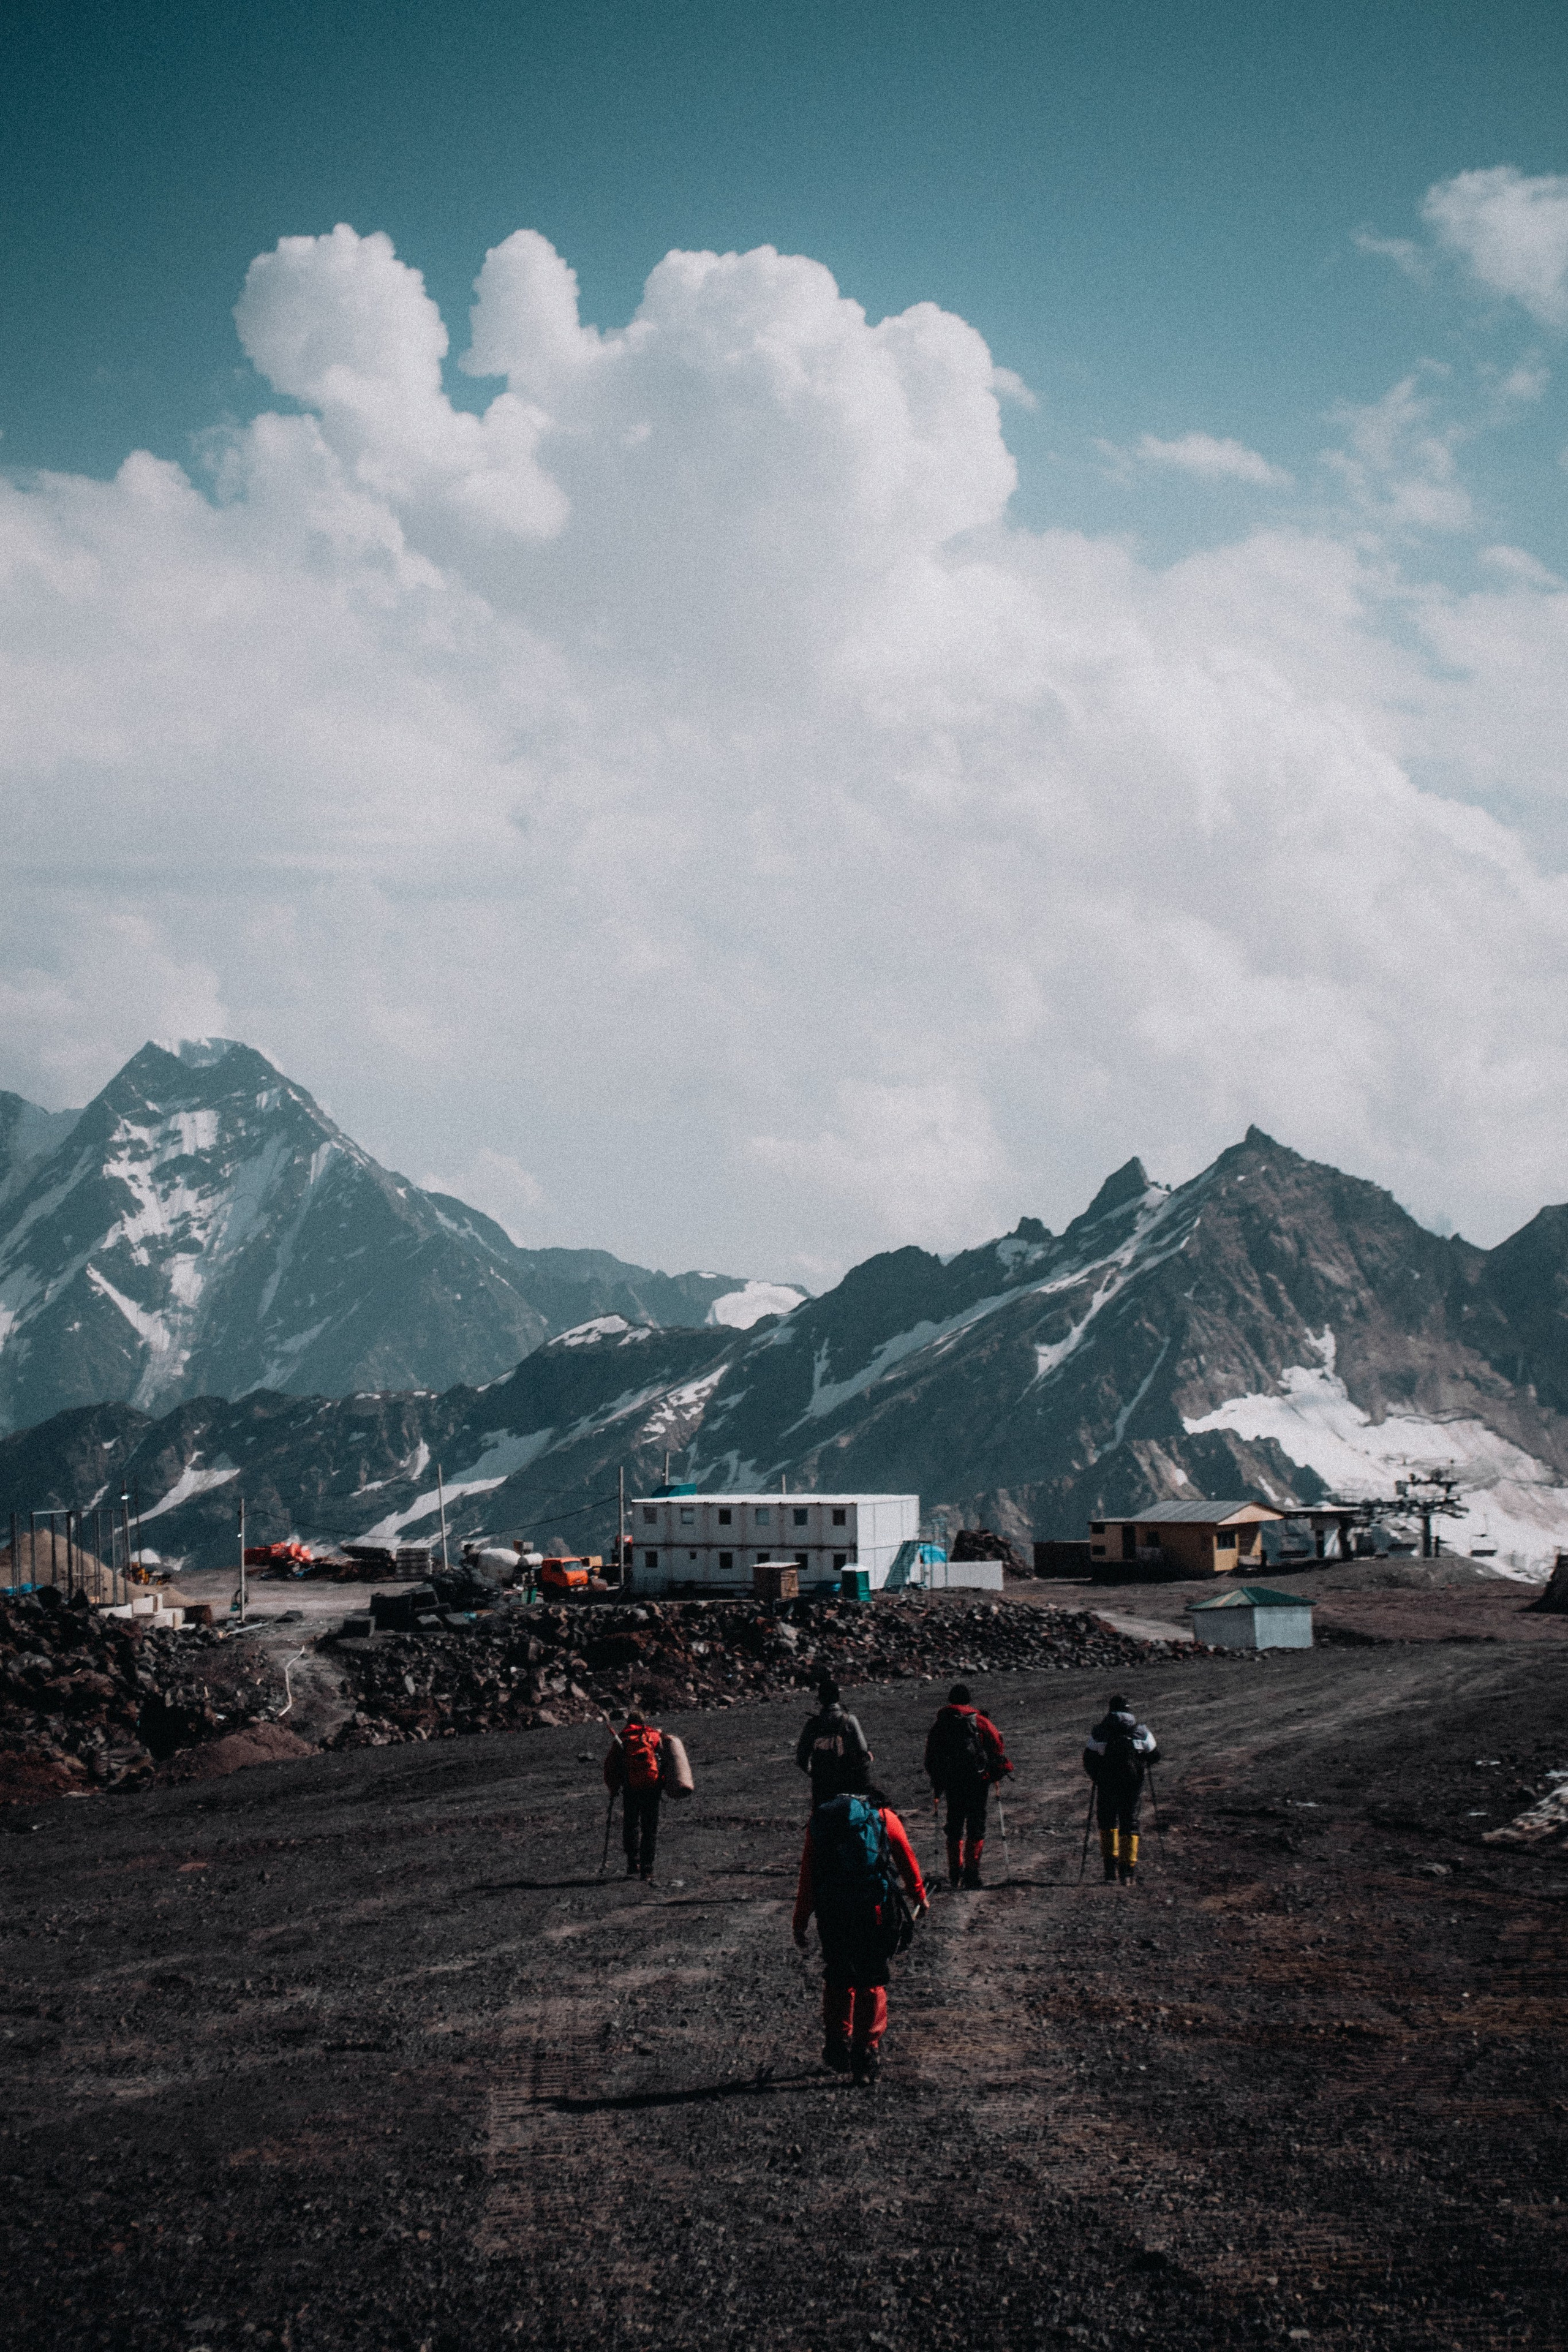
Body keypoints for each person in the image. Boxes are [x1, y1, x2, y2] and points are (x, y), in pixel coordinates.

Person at [793, 1784, 927, 2085]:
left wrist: (800, 1921)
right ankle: (866, 2052)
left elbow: (808, 1877)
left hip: (832, 1913)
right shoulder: (883, 1817)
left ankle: (837, 2043)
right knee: (872, 1978)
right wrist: (920, 1897)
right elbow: (906, 1859)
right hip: (874, 1912)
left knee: (839, 1975)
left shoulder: (821, 1821)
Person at [924, 1682, 1012, 1888]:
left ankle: (955, 1872)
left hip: (952, 1783)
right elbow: (998, 1745)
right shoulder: (979, 1721)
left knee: (954, 1825)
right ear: (968, 1700)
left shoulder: (941, 1724)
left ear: (950, 1700)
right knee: (976, 1825)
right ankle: (972, 1874)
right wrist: (997, 1769)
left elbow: (931, 1755)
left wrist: (938, 1780)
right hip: (978, 1781)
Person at [1083, 1692, 1159, 1883]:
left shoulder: (1100, 1732)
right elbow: (1155, 1755)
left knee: (1108, 1822)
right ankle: (1128, 1872)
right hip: (1132, 1785)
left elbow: (1088, 1758)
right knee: (1130, 1823)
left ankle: (1110, 1872)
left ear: (1110, 1710)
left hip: (1107, 1783)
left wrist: (1097, 1776)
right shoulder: (1140, 1731)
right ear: (1129, 1710)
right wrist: (1141, 1765)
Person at [604, 1711, 665, 1882]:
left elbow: (610, 1767)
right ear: (643, 1721)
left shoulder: (622, 1739)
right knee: (650, 1828)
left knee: (631, 1824)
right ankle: (648, 1868)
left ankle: (633, 1863)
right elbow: (665, 1762)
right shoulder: (653, 1736)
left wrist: (613, 1789)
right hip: (652, 1788)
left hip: (631, 1788)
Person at [795, 1675, 872, 1809]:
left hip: (822, 1782)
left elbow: (802, 1757)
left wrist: (814, 1773)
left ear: (820, 1699)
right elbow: (863, 1750)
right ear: (838, 1697)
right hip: (848, 1779)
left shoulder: (813, 1725)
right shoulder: (849, 1720)